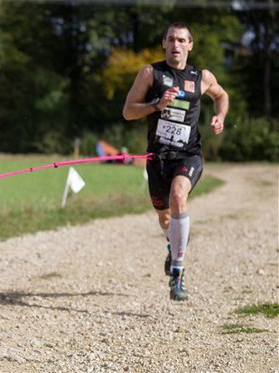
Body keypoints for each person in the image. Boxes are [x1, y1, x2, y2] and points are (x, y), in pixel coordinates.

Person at [122, 22, 229, 301]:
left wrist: (220, 116)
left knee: (178, 197)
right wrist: (155, 105)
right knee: (165, 215)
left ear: (190, 46)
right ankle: (173, 243)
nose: (176, 45)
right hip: (157, 157)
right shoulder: (150, 73)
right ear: (164, 44)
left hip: (189, 153)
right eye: (171, 39)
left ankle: (178, 275)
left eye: (182, 40)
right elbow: (128, 111)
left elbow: (221, 95)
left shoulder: (201, 76)